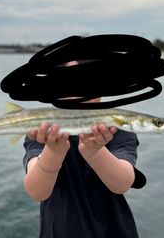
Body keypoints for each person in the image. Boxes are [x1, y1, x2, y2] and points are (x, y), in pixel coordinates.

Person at [22, 78, 146, 238]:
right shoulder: (42, 129)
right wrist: (54, 151)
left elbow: (122, 183)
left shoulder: (118, 126)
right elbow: (37, 191)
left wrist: (93, 152)